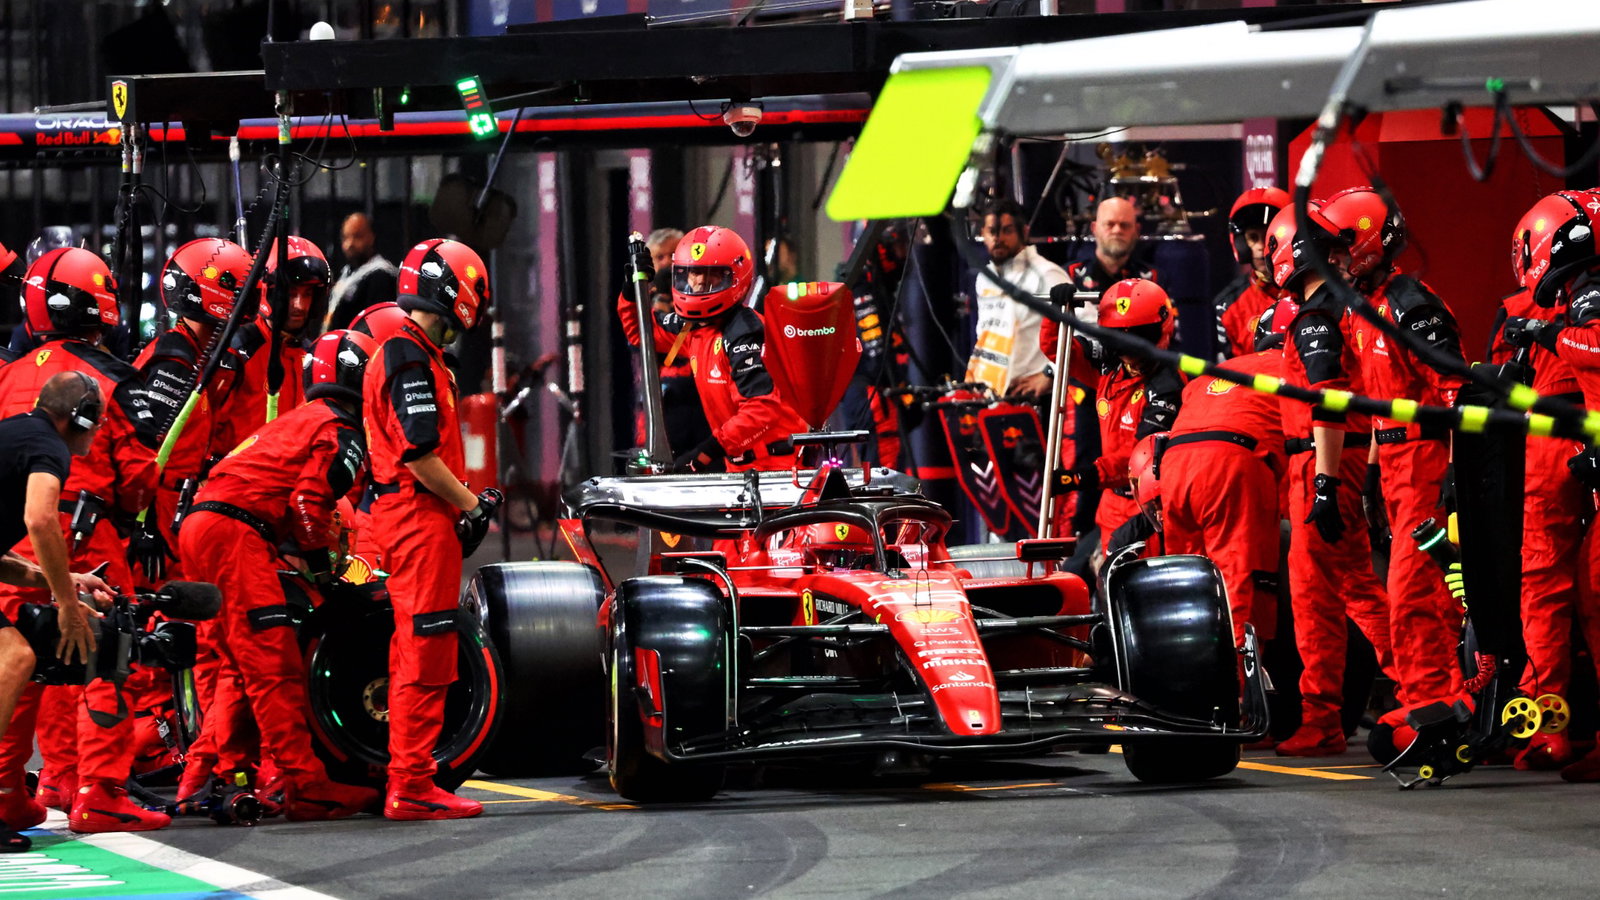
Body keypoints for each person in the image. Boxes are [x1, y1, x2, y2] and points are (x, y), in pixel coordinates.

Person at [176, 329, 379, 821]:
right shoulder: (340, 428)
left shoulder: (298, 418)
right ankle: (307, 787)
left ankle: (209, 776)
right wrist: (324, 570)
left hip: (201, 527)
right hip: (235, 533)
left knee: (234, 666)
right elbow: (309, 503)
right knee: (273, 663)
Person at [0, 248, 161, 826]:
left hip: (12, 538)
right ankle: (100, 792)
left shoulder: (6, 374)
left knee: (20, 663)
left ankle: (16, 789)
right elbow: (139, 477)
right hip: (82, 532)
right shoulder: (112, 377)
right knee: (107, 653)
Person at [363, 238, 499, 820]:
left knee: (417, 647)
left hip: (414, 516)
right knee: (428, 648)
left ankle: (409, 777)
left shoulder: (410, 353)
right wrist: (471, 505)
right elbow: (419, 454)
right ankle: (412, 784)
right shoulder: (409, 357)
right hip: (419, 518)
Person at [1325, 187, 1466, 719]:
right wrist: (1371, 477)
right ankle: (1439, 703)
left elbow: (1456, 393)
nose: (1331, 260)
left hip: (1426, 464)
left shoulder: (1411, 304)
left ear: (1365, 244)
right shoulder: (1364, 309)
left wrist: (1453, 471)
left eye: (1337, 248)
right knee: (1415, 593)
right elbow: (1381, 404)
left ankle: (1432, 705)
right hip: (1396, 469)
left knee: (1416, 595)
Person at [1264, 203, 1395, 758]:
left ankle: (1327, 717)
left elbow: (1329, 401)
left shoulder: (1317, 315)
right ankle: (1417, 689)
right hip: (1335, 460)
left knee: (1325, 594)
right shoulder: (1343, 307)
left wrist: (1323, 483)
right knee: (1347, 587)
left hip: (1320, 462)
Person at [1500, 188, 1600, 780]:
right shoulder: (1567, 301)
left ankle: (1549, 728)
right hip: (1567, 435)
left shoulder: (1558, 306)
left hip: (1553, 435)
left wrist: (1542, 335)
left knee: (1553, 583)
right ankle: (1551, 727)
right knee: (1581, 586)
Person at [0, 372, 116, 847]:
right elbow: (41, 518)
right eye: (98, 420)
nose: (100, 430)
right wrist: (67, 606)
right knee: (14, 658)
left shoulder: (16, 434)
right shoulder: (49, 447)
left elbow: (3, 561)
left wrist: (64, 580)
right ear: (81, 417)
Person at [617, 225, 807, 472]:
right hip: (738, 466)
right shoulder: (692, 328)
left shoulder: (746, 332)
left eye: (712, 274)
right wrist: (631, 292)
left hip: (777, 469)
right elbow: (642, 333)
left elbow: (761, 410)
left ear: (734, 277)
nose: (700, 282)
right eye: (693, 273)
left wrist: (703, 454)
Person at [129, 238, 256, 583]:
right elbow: (146, 447)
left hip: (175, 504)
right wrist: (144, 522)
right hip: (155, 509)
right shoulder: (176, 362)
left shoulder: (197, 357)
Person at [1160, 343, 1286, 648]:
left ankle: (1185, 666)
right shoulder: (1297, 366)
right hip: (1230, 462)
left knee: (1183, 583)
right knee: (1236, 581)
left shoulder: (1219, 369)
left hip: (1173, 464)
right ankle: (1239, 675)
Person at [1056, 278, 1184, 552]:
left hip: (1152, 507)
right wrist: (1058, 312)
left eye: (1138, 336)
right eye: (1120, 336)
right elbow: (1058, 349)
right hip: (1112, 503)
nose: (1129, 349)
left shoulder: (1168, 384)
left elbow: (1143, 457)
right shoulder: (1109, 368)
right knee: (1109, 577)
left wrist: (1082, 477)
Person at [215, 235, 332, 452]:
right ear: (267, 291)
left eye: (307, 294)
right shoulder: (238, 348)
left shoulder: (314, 357)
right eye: (291, 293)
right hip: (238, 470)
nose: (300, 305)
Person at [964, 199, 1069, 403]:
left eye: (1007, 231)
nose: (998, 239)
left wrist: (1051, 373)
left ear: (1025, 232)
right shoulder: (985, 277)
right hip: (990, 397)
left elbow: (1087, 328)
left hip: (1034, 399)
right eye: (992, 231)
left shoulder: (1046, 273)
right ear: (983, 233)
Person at [1214, 187, 1291, 360]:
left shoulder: (1314, 290)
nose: (1261, 246)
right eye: (1253, 237)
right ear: (1241, 243)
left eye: (1268, 237)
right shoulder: (1227, 307)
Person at [1065, 197, 1157, 296]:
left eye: (1125, 225)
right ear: (1094, 229)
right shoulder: (1069, 276)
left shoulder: (1154, 279)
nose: (1117, 231)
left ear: (1137, 230)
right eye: (1109, 224)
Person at [325, 213, 398, 332]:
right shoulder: (346, 272)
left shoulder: (381, 275)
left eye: (357, 236)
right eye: (345, 237)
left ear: (371, 237)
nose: (349, 244)